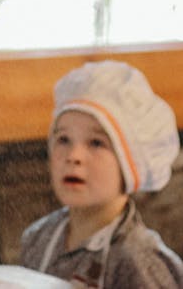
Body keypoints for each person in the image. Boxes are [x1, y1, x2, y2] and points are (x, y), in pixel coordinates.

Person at [20, 59, 183, 288]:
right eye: (63, 139)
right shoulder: (38, 237)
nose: (73, 155)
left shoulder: (139, 261)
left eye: (96, 143)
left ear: (131, 162)